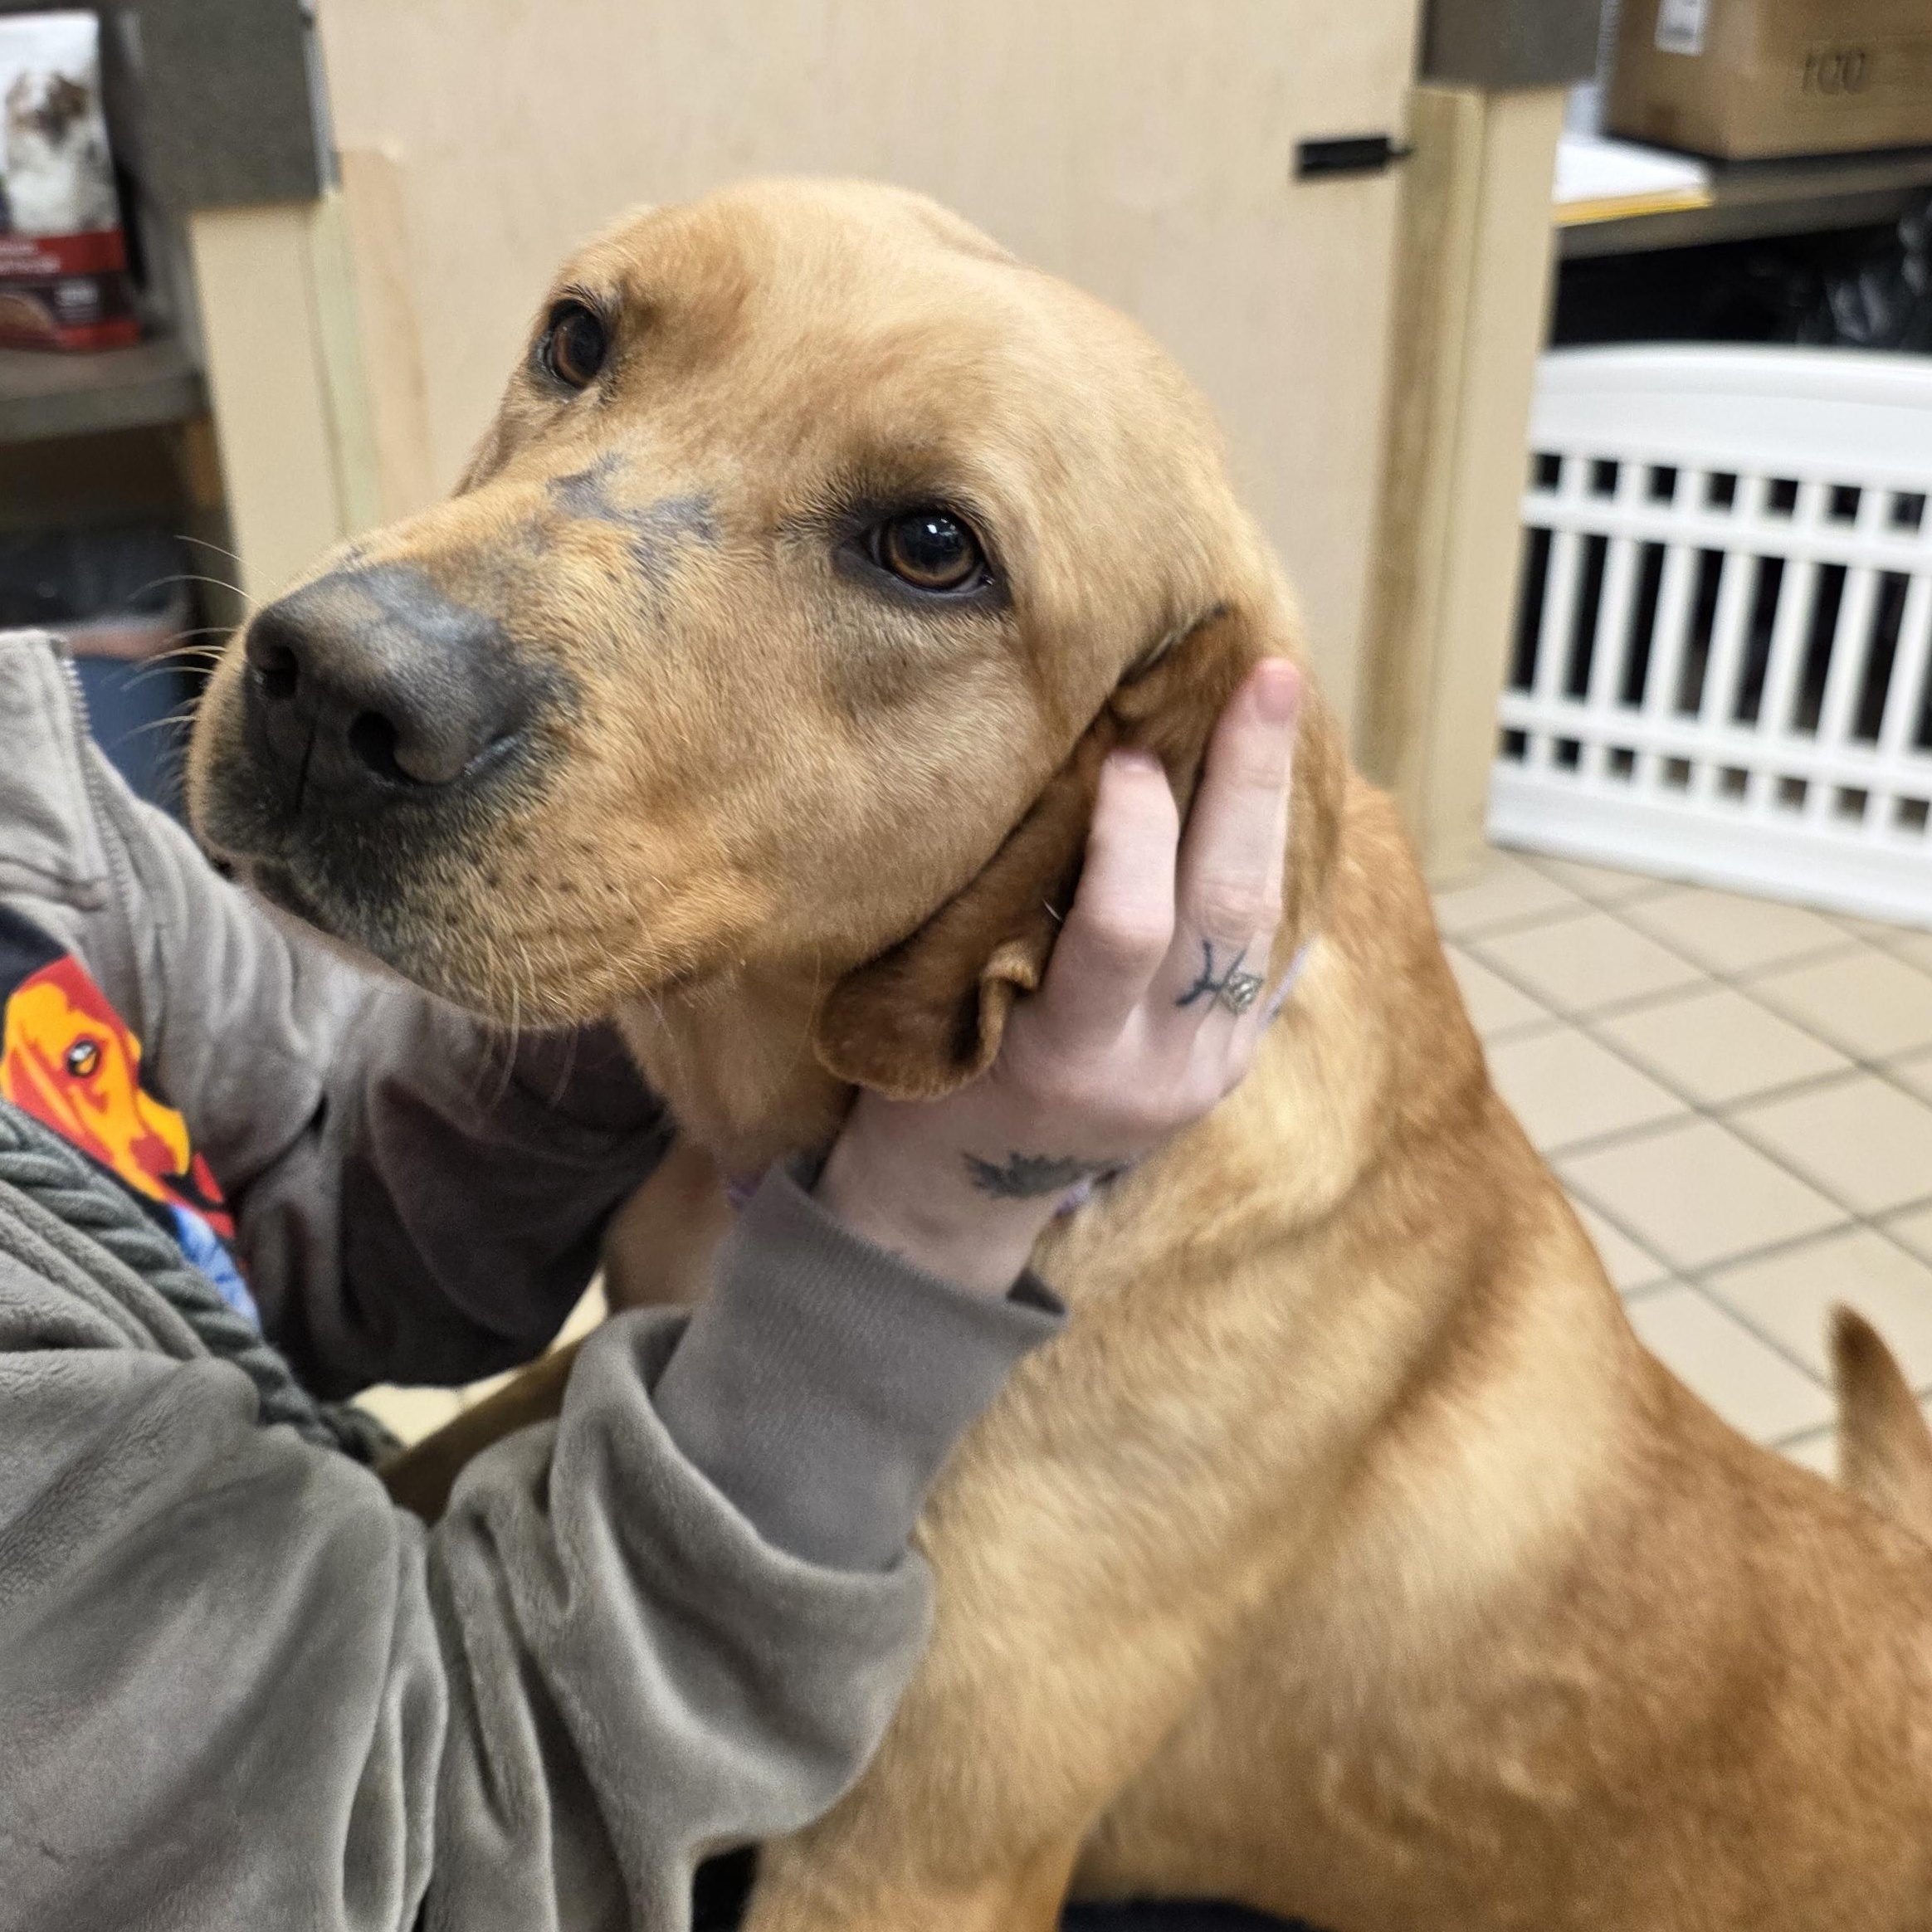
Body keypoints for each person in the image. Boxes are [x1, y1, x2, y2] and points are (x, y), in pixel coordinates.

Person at [0, 626, 1299, 1932]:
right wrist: (935, 1213)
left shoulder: (21, 793)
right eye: (564, 395)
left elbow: (320, 1172)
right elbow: (431, 1852)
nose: (355, 633)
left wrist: (672, 931)